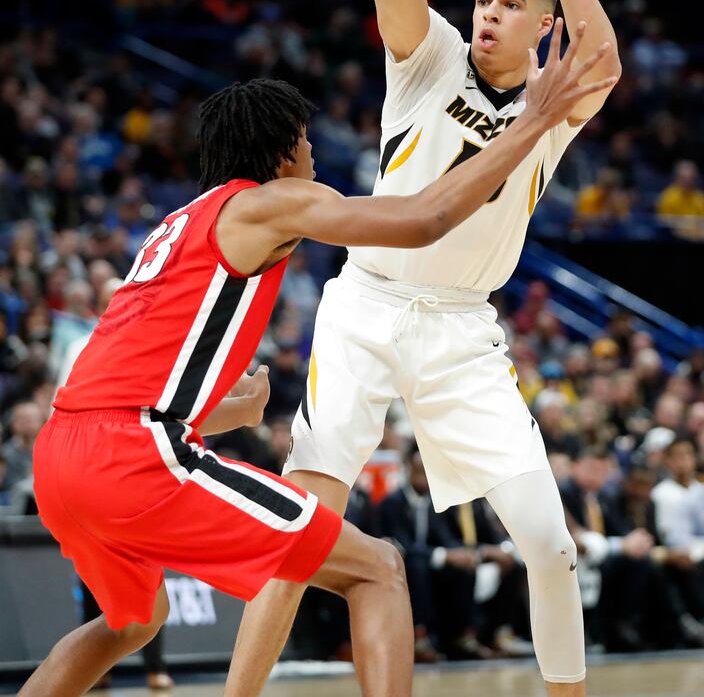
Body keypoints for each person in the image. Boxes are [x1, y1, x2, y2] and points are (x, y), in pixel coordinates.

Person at [21, 46, 612, 697]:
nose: (313, 158)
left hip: (61, 456)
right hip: (127, 459)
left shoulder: (177, 225)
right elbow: (424, 220)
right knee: (377, 568)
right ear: (282, 158)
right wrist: (534, 121)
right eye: (304, 144)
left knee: (132, 622)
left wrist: (230, 415)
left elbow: (117, 389)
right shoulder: (266, 204)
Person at [242, 0, 621, 697]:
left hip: (460, 328)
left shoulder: (550, 102)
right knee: (304, 524)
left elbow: (607, 62)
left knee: (549, 543)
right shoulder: (428, 57)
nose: (487, 13)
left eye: (510, 3)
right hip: (366, 308)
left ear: (541, 25)